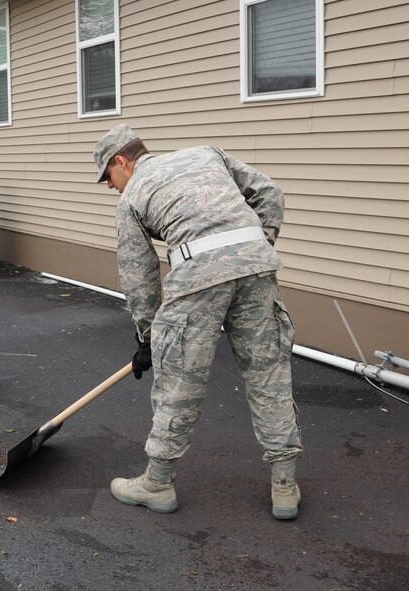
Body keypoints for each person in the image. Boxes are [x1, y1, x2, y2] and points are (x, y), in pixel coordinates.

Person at [93, 124, 303, 520]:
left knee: (180, 381)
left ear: (122, 160)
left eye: (107, 176)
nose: (109, 186)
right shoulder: (208, 153)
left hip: (197, 277)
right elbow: (270, 193)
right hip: (257, 267)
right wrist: (257, 245)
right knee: (268, 373)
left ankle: (157, 484)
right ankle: (284, 486)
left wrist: (149, 336)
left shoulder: (133, 196)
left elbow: (138, 274)